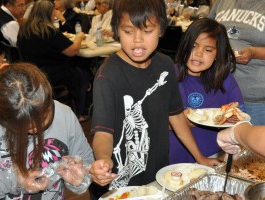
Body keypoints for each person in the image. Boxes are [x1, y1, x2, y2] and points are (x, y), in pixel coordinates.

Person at [89, 0, 216, 198]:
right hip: (120, 183)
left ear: (161, 29)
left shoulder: (165, 65)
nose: (137, 40)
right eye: (128, 31)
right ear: (116, 30)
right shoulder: (108, 75)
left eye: (147, 31)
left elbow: (176, 117)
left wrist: (199, 157)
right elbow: (103, 133)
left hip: (157, 175)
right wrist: (103, 160)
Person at [0, 50, 94, 199]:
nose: (37, 128)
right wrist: (12, 179)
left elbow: (86, 161)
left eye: (43, 117)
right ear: (1, 117)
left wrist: (77, 179)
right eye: (24, 126)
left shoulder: (64, 115)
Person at [169, 18, 244, 164]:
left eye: (208, 50)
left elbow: (238, 116)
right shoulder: (170, 75)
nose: (198, 54)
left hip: (214, 155)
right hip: (175, 159)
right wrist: (180, 121)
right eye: (193, 46)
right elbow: (154, 122)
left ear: (218, 54)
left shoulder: (225, 80)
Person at [17, 0, 90, 122]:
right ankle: (80, 113)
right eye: (53, 12)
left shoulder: (24, 29)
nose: (55, 14)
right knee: (83, 75)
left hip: (31, 72)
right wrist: (79, 37)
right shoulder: (49, 31)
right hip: (52, 74)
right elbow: (73, 50)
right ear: (48, 13)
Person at [208, 0, 265, 126]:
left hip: (254, 98)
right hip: (218, 90)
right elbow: (207, 32)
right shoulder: (223, 2)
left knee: (251, 144)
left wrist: (254, 52)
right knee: (221, 143)